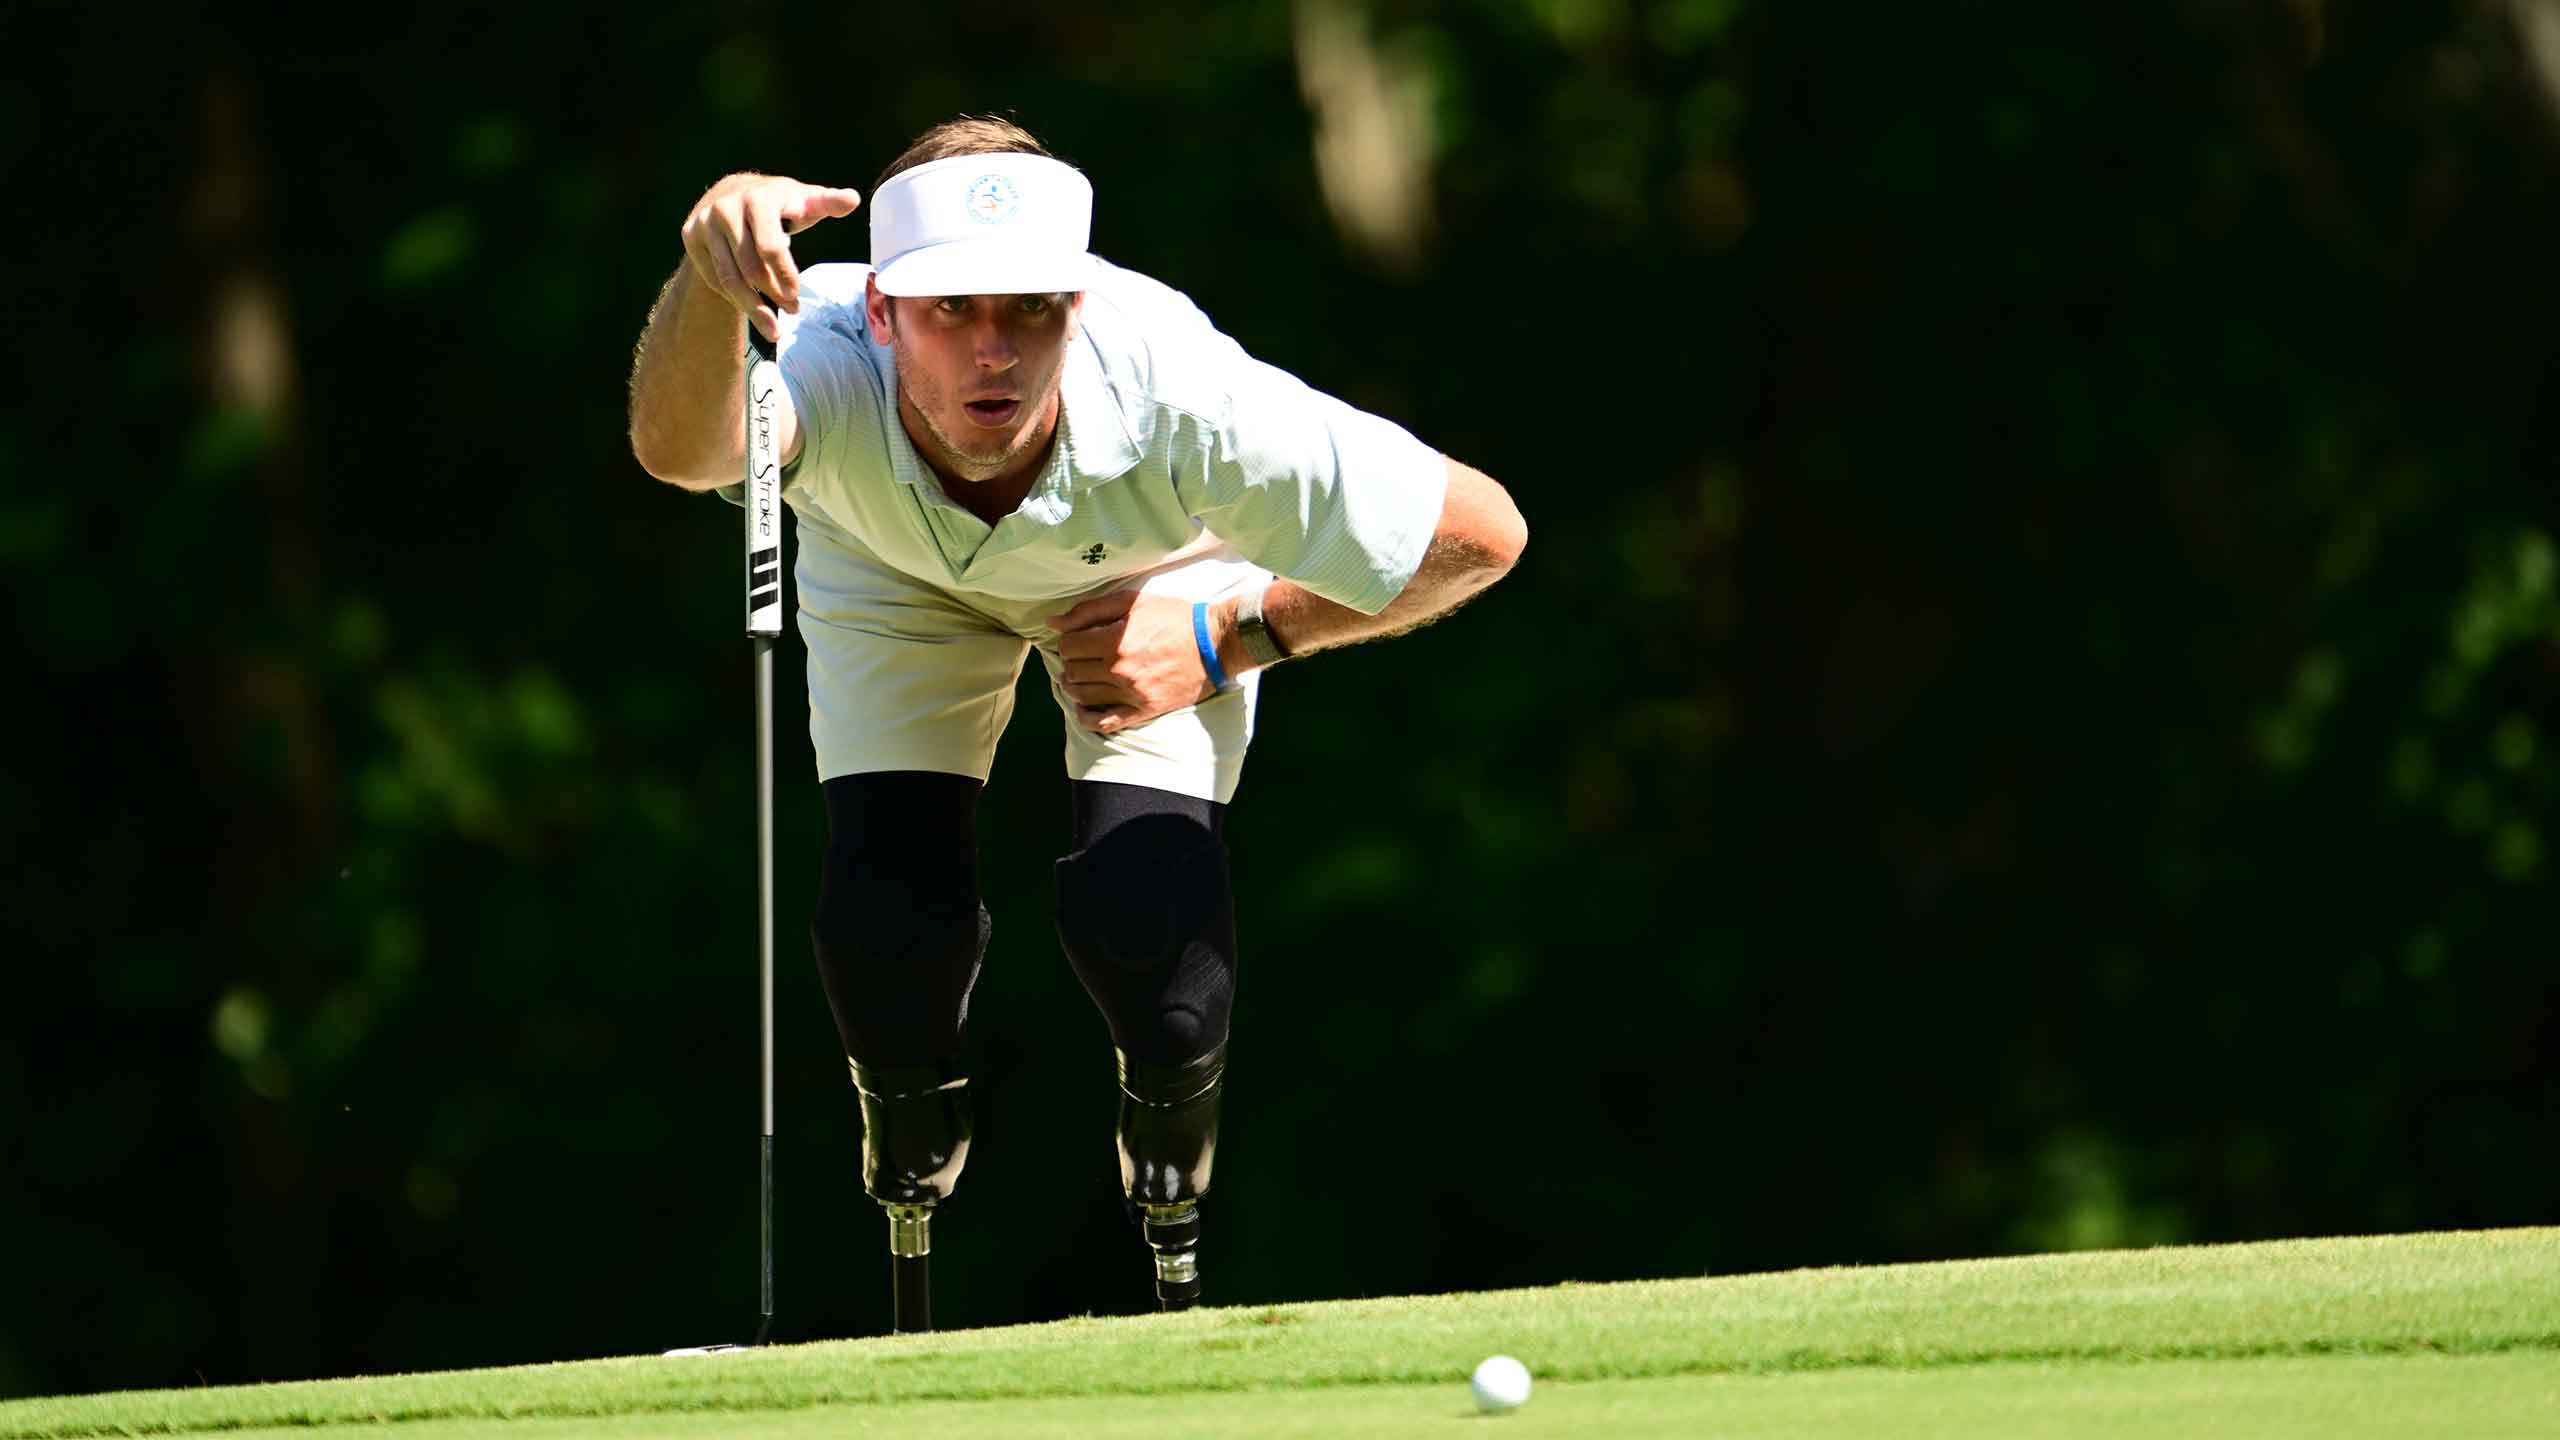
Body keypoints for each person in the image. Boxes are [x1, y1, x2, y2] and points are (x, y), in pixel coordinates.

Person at [626, 116, 1525, 1320]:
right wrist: (706, 271)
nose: (992, 351)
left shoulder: (1186, 399)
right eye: (950, 311)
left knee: (1150, 937)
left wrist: (1235, 633)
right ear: (880, 311)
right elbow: (678, 453)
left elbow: (1480, 533)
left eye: (1031, 308)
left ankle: (1170, 1204)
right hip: (894, 578)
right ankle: (908, 1169)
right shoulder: (821, 352)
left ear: (1081, 304)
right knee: (887, 931)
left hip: (1150, 585)